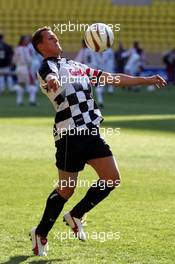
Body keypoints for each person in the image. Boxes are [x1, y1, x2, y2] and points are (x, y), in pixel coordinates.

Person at [30, 26, 166, 257]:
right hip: (70, 135)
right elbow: (47, 73)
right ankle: (40, 233)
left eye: (56, 36)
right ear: (41, 46)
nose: (57, 39)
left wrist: (146, 80)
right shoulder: (48, 66)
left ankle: (75, 215)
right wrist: (52, 80)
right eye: (51, 38)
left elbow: (112, 78)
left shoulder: (76, 66)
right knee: (66, 189)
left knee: (112, 179)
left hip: (91, 133)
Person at [13, 36, 38, 105]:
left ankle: (19, 101)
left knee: (21, 84)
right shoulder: (26, 48)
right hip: (26, 68)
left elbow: (14, 60)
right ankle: (32, 100)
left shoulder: (17, 48)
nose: (27, 41)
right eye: (26, 40)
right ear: (23, 41)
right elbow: (29, 60)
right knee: (32, 83)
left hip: (19, 68)